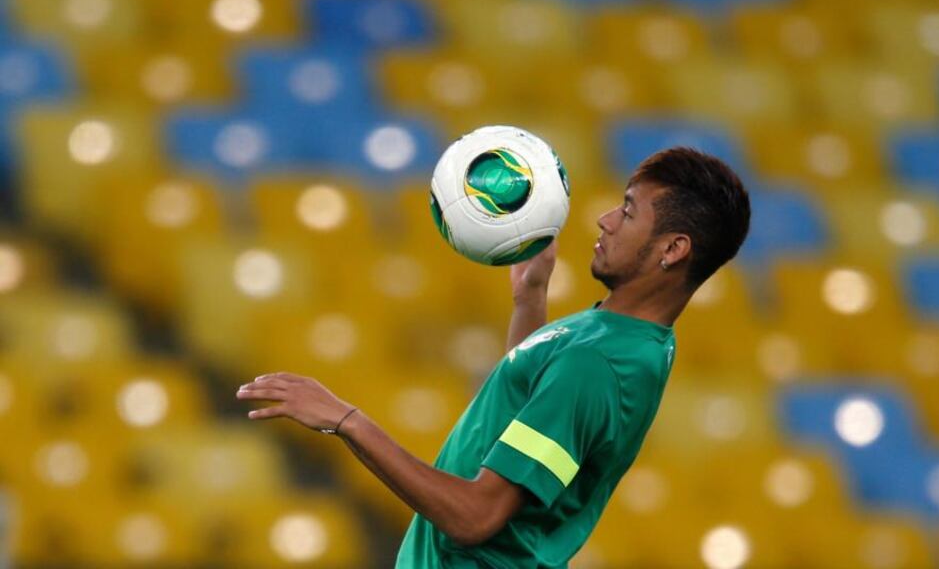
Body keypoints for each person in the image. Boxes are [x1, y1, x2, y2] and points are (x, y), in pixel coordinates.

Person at [236, 146, 751, 568]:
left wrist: (347, 420)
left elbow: (475, 517)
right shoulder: (627, 338)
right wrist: (530, 297)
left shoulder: (598, 364)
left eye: (630, 210)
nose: (606, 219)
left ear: (674, 249)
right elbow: (529, 407)